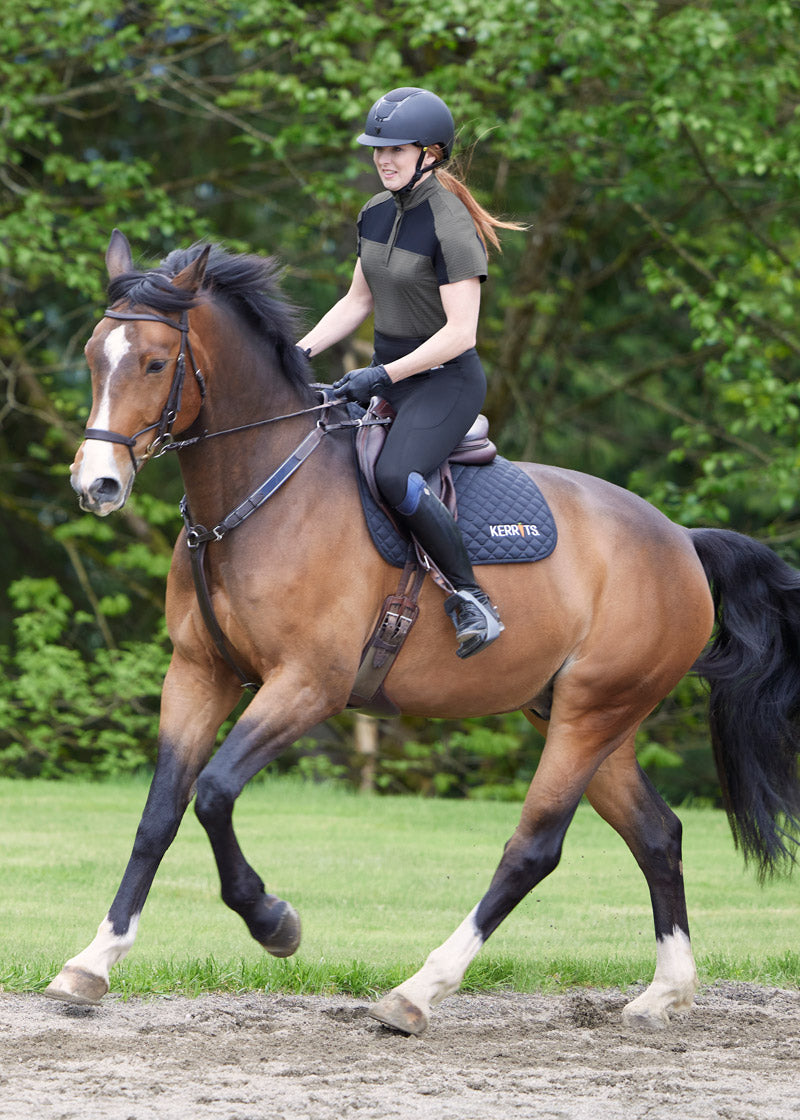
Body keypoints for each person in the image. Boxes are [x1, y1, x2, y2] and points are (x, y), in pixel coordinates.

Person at [298, 86, 522, 658]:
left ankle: (473, 599)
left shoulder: (450, 225)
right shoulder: (375, 212)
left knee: (397, 476)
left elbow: (460, 333)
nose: (383, 159)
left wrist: (383, 376)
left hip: (445, 382)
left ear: (432, 153)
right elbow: (356, 301)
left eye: (397, 149)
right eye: (377, 149)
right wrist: (296, 355)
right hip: (391, 374)